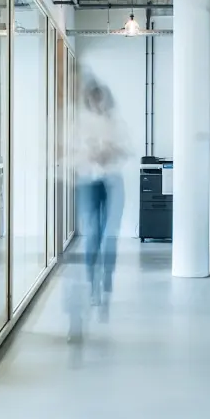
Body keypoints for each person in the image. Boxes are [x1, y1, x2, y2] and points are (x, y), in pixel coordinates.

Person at [69, 77, 128, 335]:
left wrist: (112, 151)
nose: (97, 102)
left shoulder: (116, 122)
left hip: (112, 181)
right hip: (88, 181)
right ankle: (92, 282)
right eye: (93, 97)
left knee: (109, 234)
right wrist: (90, 154)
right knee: (93, 233)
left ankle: (107, 282)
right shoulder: (81, 124)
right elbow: (71, 152)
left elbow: (127, 149)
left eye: (100, 97)